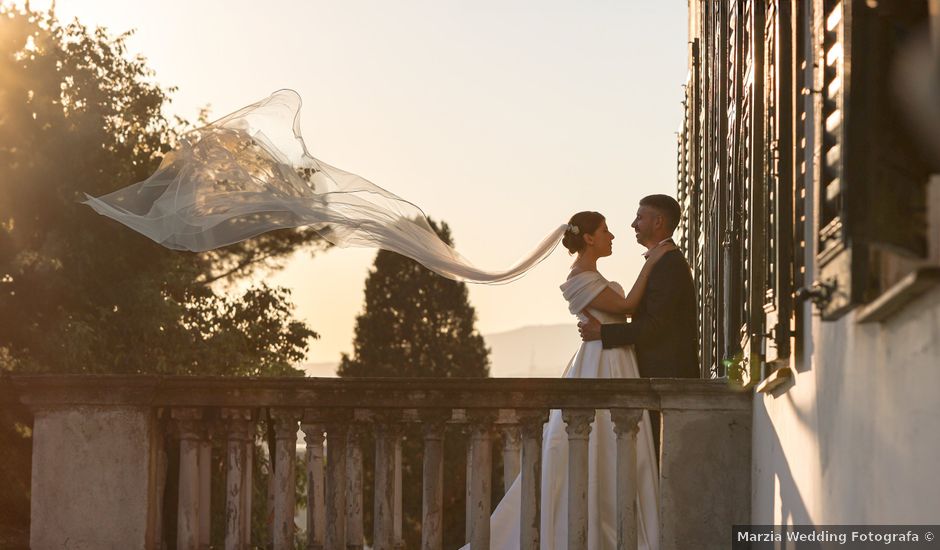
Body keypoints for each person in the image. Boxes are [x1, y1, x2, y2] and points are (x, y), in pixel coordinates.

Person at [465, 211, 671, 550]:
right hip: (602, 364)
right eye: (605, 231)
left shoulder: (591, 275)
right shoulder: (580, 277)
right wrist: (652, 262)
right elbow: (627, 303)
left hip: (614, 357)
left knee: (613, 447)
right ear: (588, 238)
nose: (612, 236)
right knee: (598, 443)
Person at [578, 195, 699, 455]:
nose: (633, 224)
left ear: (659, 222)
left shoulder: (668, 264)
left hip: (666, 376)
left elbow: (657, 326)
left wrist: (603, 332)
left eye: (640, 217)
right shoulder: (662, 260)